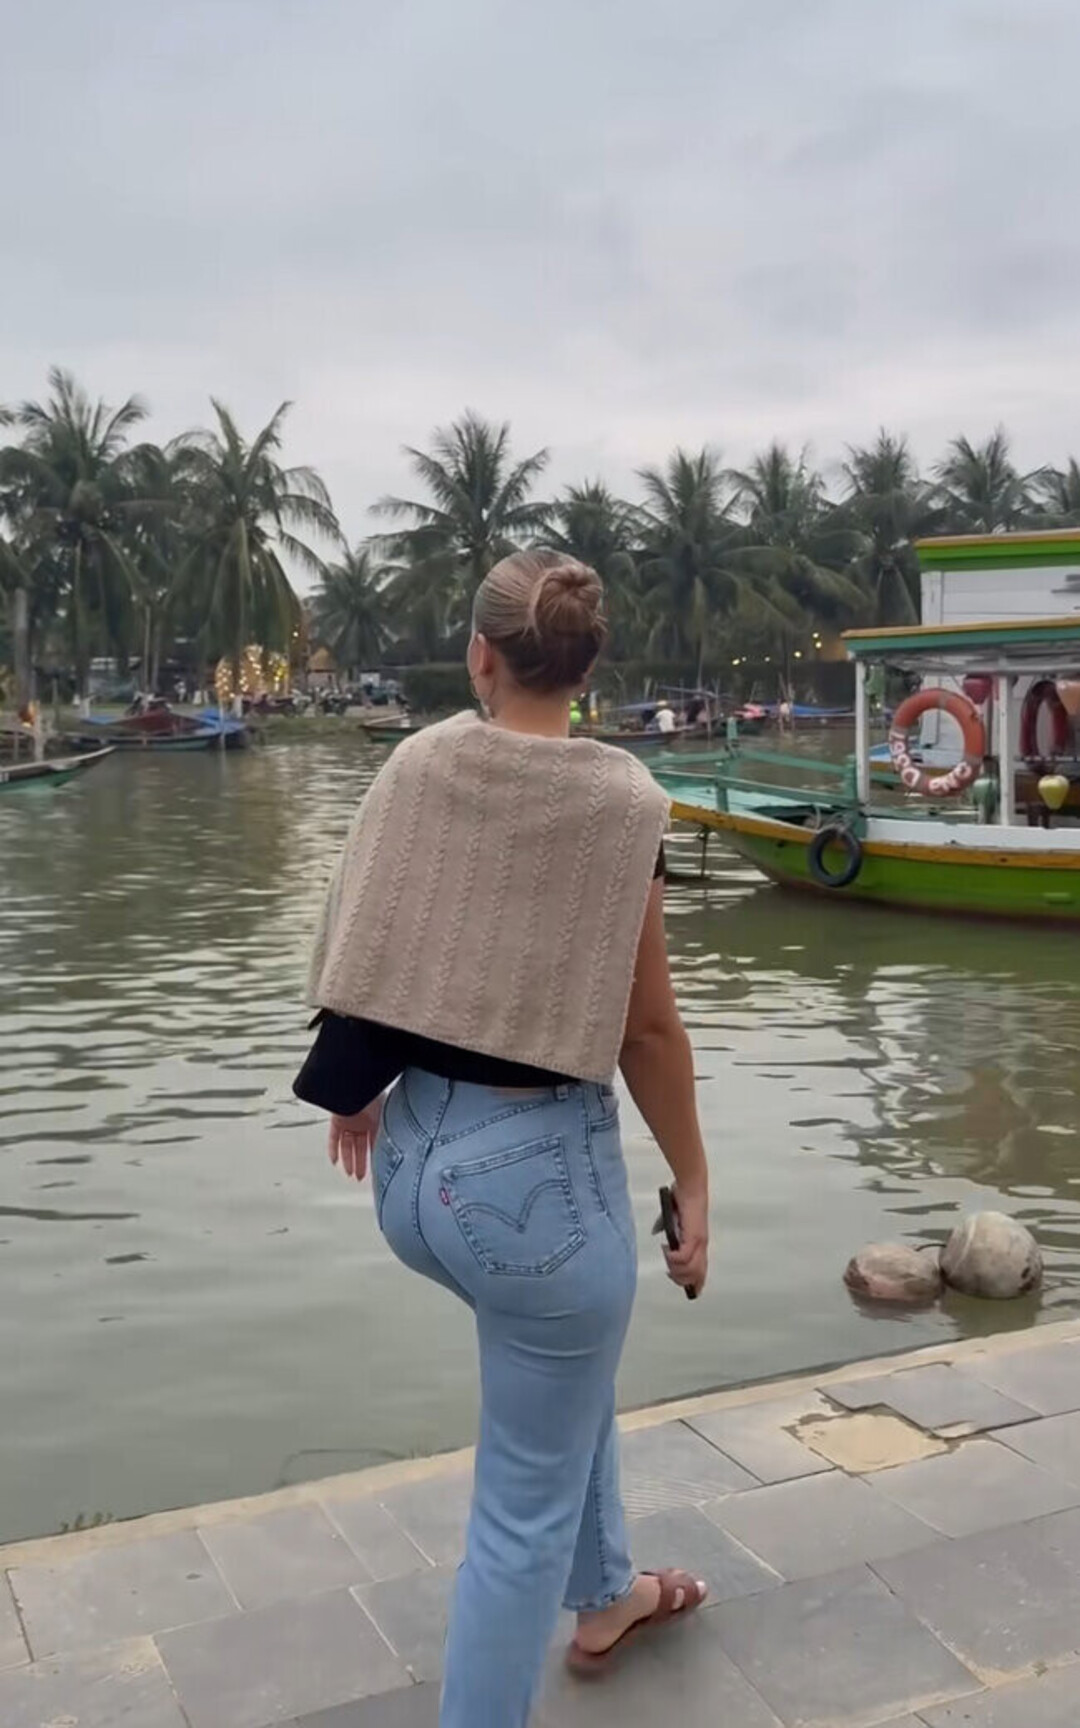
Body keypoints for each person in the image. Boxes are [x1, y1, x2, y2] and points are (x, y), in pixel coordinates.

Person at [296, 550, 710, 1728]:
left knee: (561, 1380)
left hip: (410, 1163)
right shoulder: (626, 802)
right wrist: (694, 1179)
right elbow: (645, 1027)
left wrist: (352, 1091)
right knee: (515, 1513)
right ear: (587, 666)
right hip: (539, 1198)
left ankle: (608, 1595)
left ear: (481, 654)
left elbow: (373, 929)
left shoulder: (421, 764)